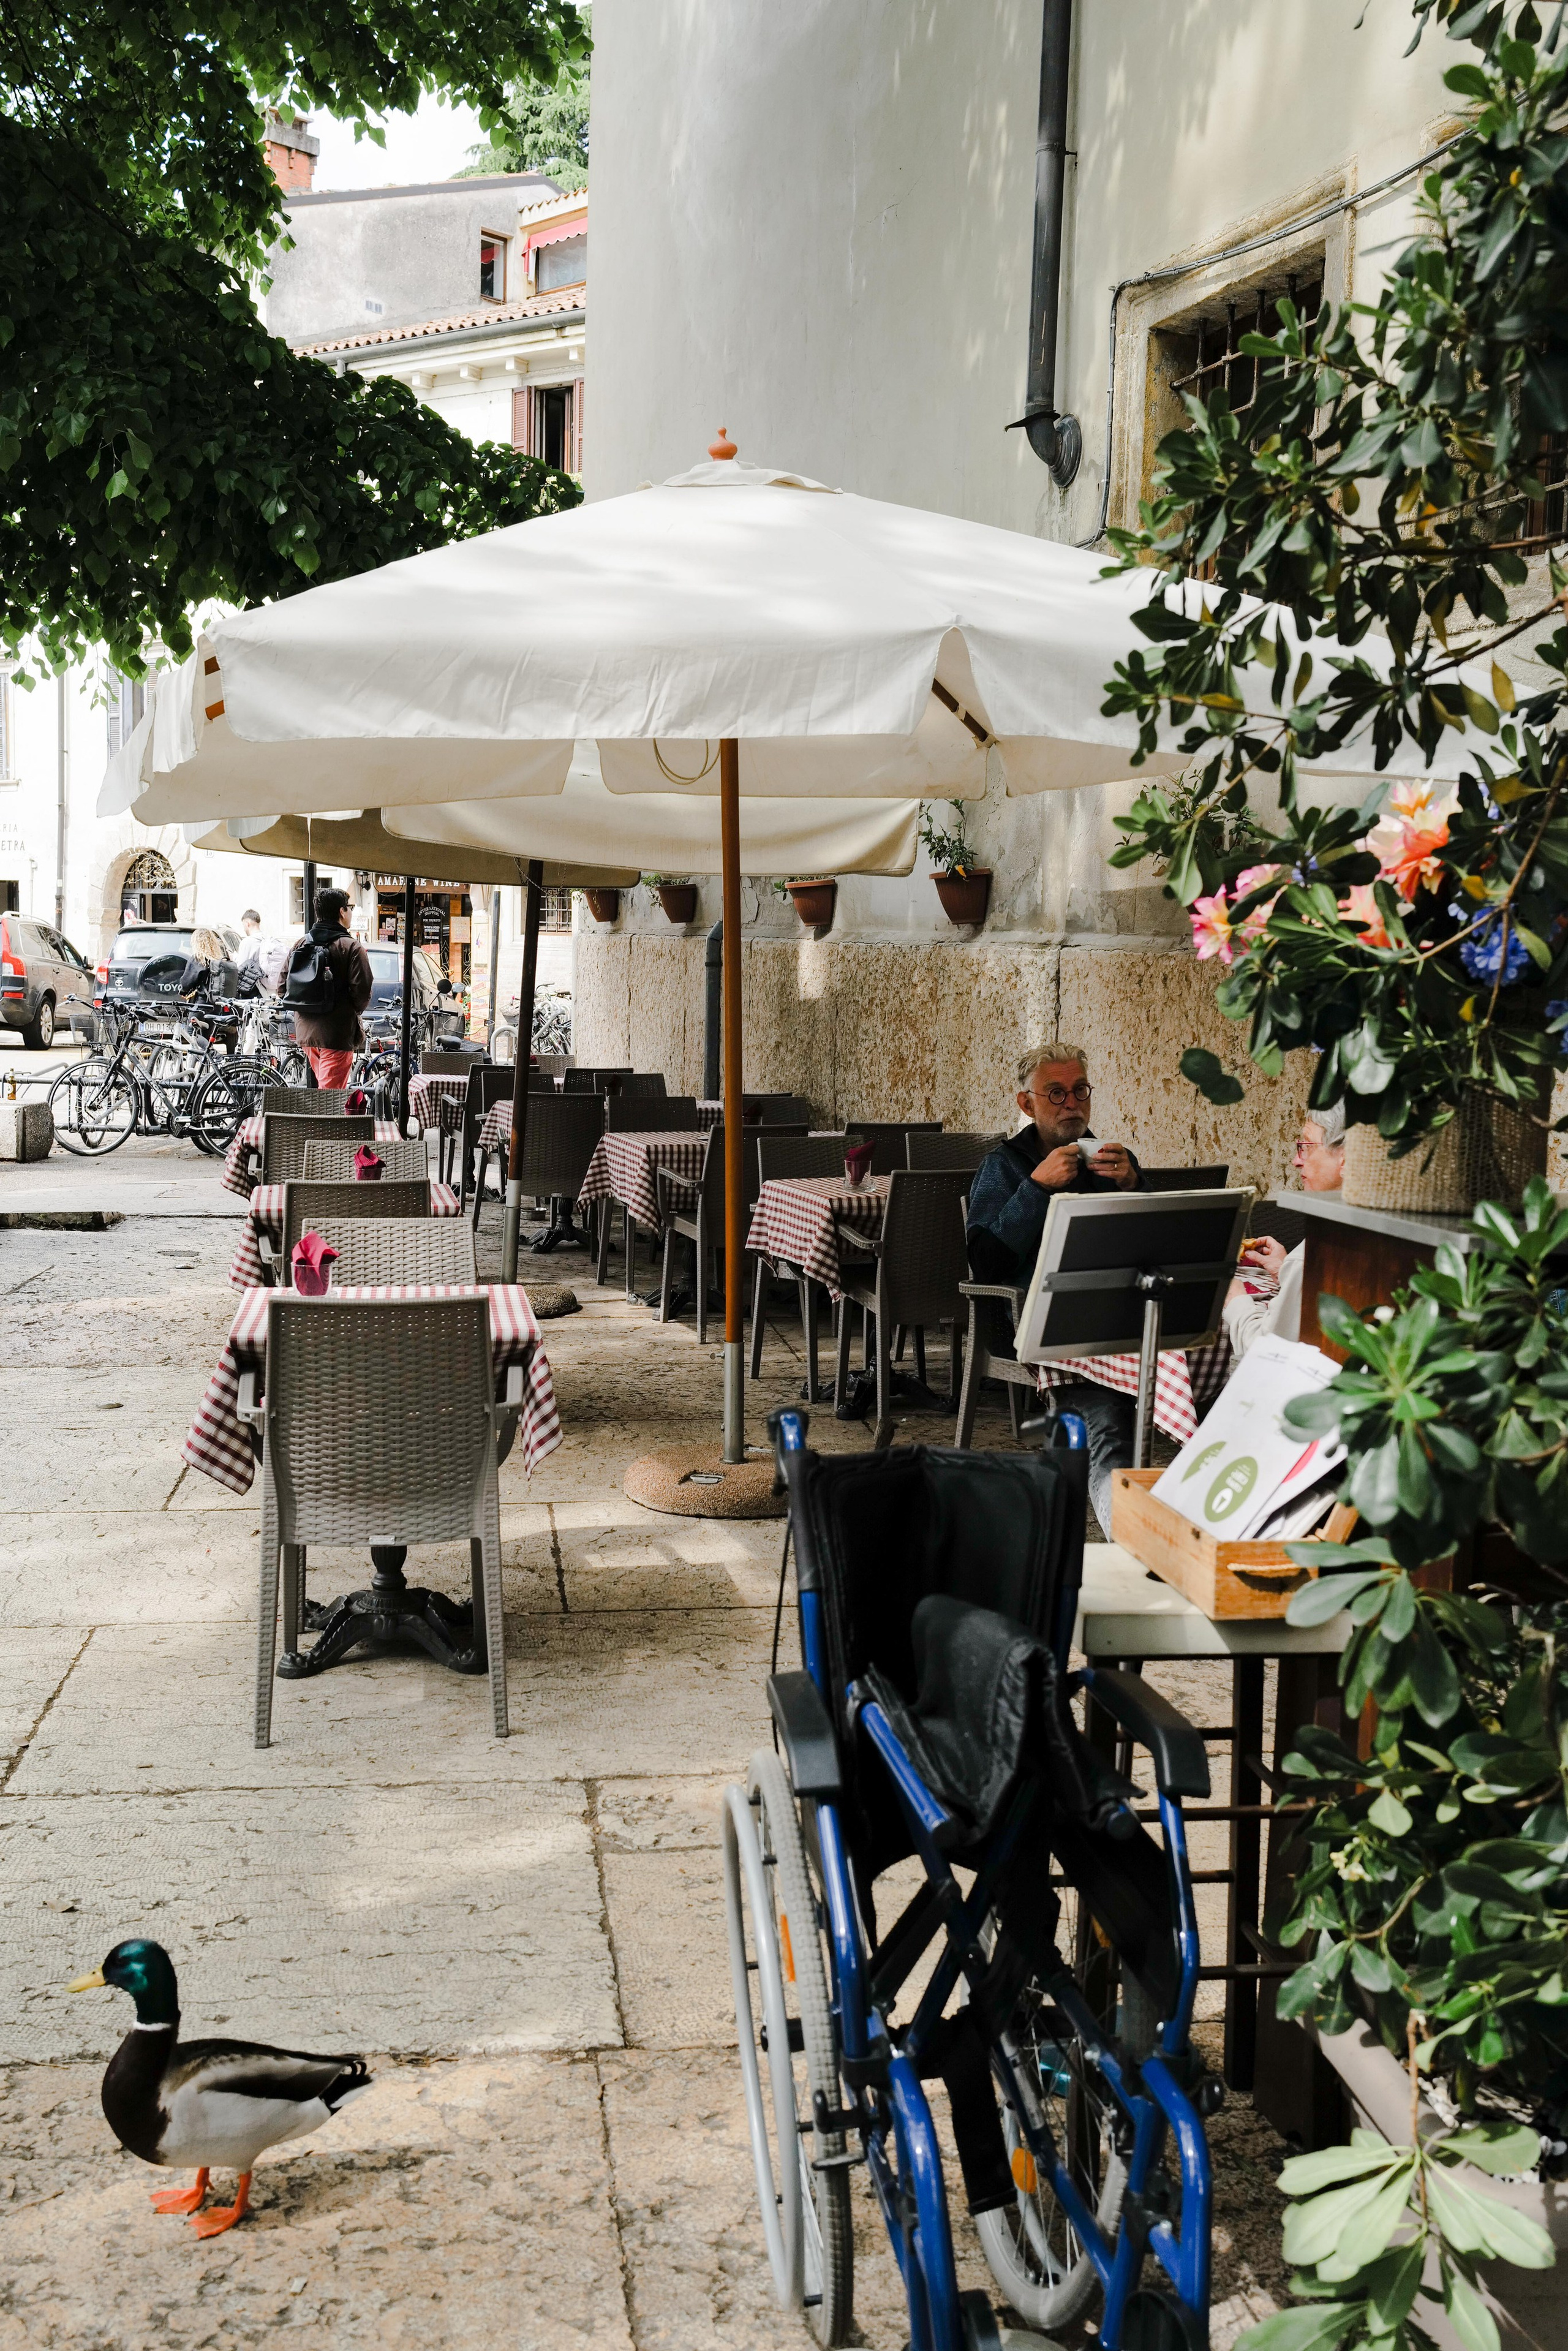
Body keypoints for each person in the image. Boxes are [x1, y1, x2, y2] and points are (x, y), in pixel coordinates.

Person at [966, 1044, 1144, 1531]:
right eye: (1057, 1094)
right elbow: (984, 1263)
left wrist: (1134, 1185)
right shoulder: (1004, 1166)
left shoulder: (1112, 1160)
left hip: (1119, 1312)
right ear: (1028, 1105)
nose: (1073, 1104)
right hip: (1033, 1322)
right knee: (1105, 1416)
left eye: (1080, 1090)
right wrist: (1038, 1188)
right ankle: (1132, 1532)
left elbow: (1148, 1241)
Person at [1224, 1100, 1346, 1356]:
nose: (1295, 1161)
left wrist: (1234, 1298)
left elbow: (1266, 1353)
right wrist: (1285, 1269)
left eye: (1306, 1147)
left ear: (1345, 1158)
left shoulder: (1317, 1252)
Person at [287, 886, 374, 1091]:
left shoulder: (300, 944)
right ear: (342, 912)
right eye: (349, 908)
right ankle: (322, 1124)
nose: (351, 913)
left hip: (306, 1033)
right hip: (337, 1033)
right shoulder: (351, 947)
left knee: (326, 1091)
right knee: (331, 1097)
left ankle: (320, 1122)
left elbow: (283, 986)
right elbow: (362, 992)